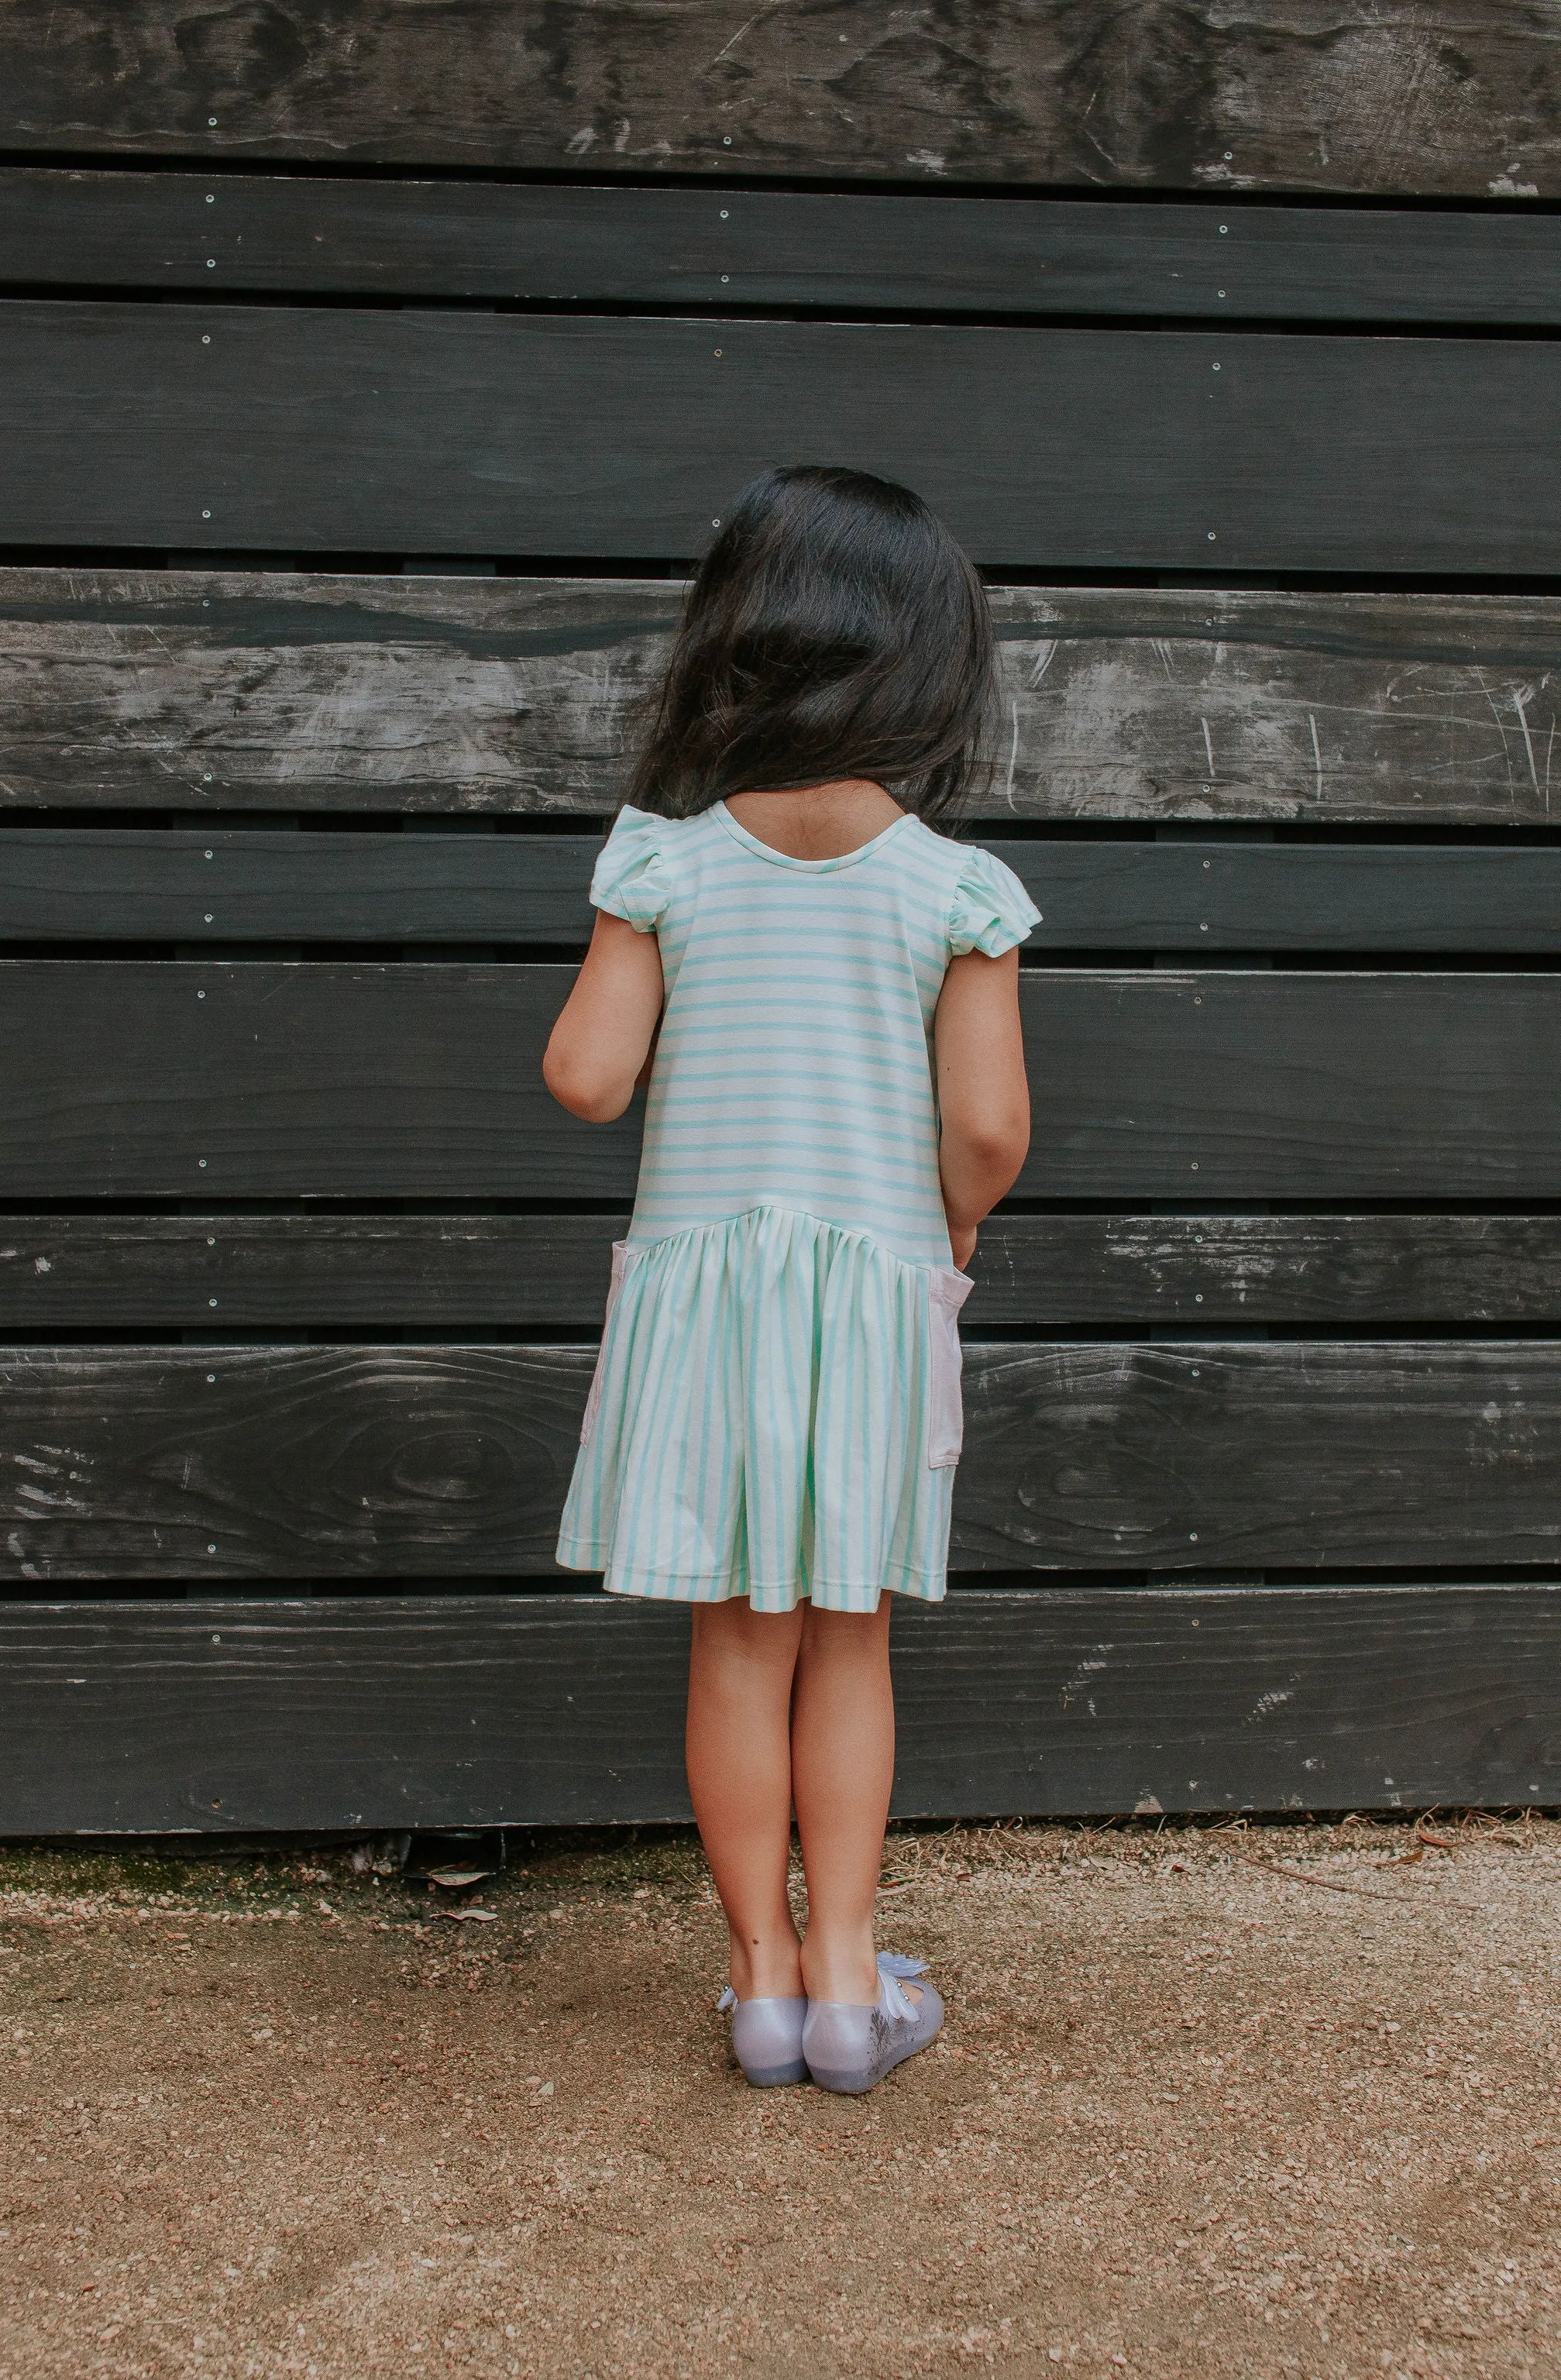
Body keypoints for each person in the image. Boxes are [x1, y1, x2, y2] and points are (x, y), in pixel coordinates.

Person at [543, 465, 1038, 2094]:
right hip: (873, 1294)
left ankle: (754, 1981)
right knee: (852, 1636)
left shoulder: (663, 862)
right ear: (924, 658)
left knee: (733, 1644)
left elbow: (587, 1079)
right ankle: (845, 1984)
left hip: (705, 1296)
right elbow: (987, 1122)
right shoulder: (953, 890)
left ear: (736, 640)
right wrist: (955, 1226)